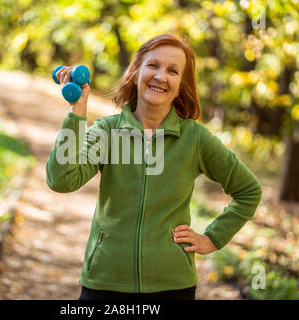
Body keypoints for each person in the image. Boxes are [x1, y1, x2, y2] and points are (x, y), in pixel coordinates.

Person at [46, 34, 262, 300]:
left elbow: (248, 190)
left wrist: (211, 239)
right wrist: (76, 112)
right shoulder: (108, 130)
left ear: (182, 85)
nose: (161, 76)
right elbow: (61, 180)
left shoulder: (194, 138)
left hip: (173, 286)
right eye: (153, 66)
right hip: (105, 282)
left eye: (173, 71)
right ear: (136, 72)